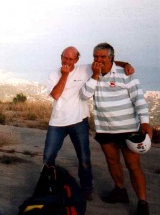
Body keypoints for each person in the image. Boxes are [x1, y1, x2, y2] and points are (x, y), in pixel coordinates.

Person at [43, 46, 134, 201]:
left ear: (76, 60)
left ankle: (87, 189)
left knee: (84, 158)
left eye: (71, 59)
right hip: (57, 121)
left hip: (79, 121)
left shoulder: (84, 69)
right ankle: (47, 185)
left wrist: (125, 64)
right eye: (64, 57)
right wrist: (64, 75)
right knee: (48, 156)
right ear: (61, 57)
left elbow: (104, 63)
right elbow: (56, 94)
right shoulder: (54, 74)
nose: (67, 61)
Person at [80, 43, 152, 215]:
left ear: (111, 57)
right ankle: (120, 191)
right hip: (105, 129)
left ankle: (142, 202)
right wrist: (95, 76)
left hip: (128, 129)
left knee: (133, 165)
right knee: (112, 162)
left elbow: (139, 100)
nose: (98, 60)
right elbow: (84, 95)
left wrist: (145, 122)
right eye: (96, 56)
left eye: (103, 57)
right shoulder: (92, 75)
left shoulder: (126, 74)